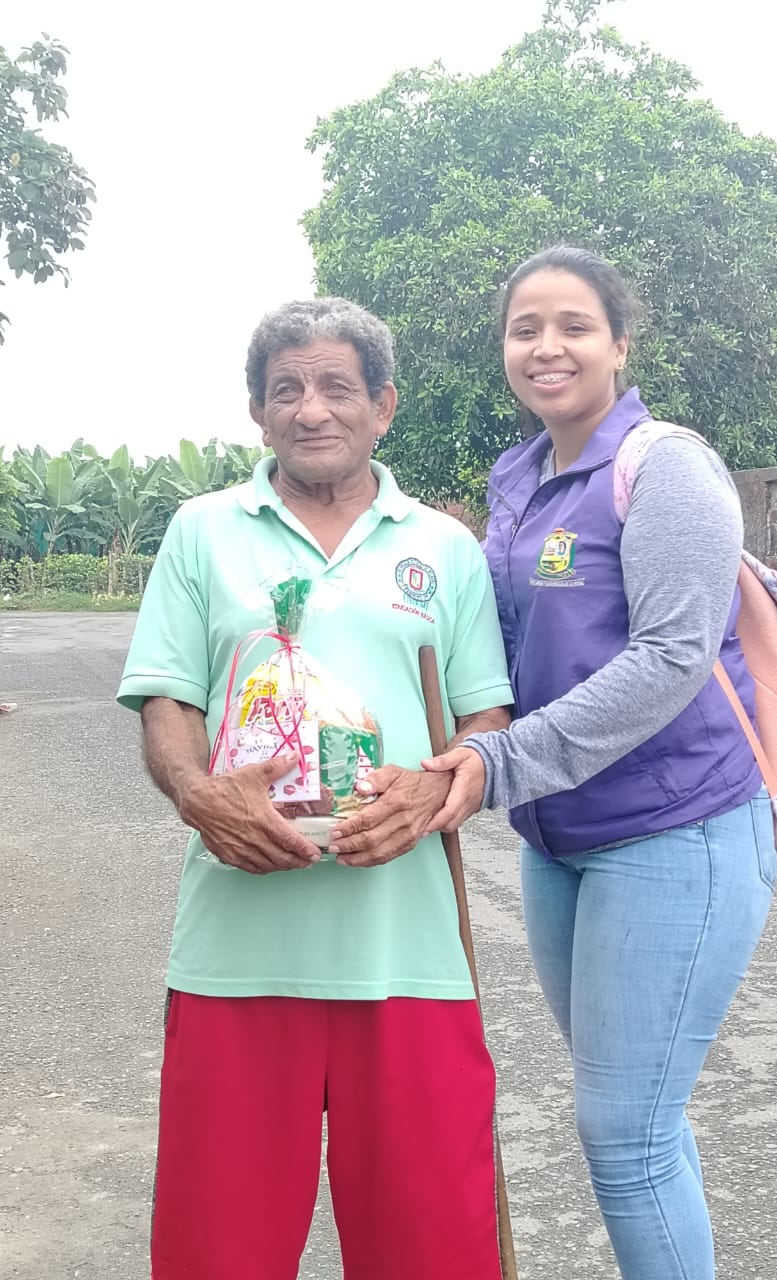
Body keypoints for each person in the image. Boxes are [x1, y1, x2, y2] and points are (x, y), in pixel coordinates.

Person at [329, 247, 777, 1280]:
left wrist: (493, 762)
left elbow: (670, 658)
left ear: (620, 343)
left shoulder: (669, 468)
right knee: (637, 1115)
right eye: (524, 328)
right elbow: (488, 635)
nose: (547, 347)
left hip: (676, 828)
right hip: (561, 840)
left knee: (627, 1134)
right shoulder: (519, 477)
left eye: (574, 325)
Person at [116, 297, 513, 1280]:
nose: (311, 408)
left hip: (410, 951)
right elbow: (166, 698)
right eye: (285, 388)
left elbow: (486, 719)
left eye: (337, 386)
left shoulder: (443, 547)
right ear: (258, 412)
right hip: (238, 952)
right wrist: (198, 794)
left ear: (384, 405)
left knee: (433, 1248)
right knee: (217, 1249)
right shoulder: (203, 532)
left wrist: (434, 789)